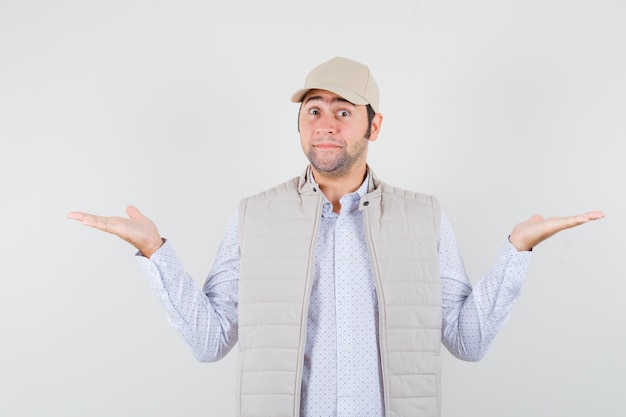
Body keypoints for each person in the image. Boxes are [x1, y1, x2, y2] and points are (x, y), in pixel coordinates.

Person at [67, 57, 604, 417]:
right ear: (300, 124)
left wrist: (518, 250)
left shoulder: (423, 217)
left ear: (374, 126)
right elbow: (210, 341)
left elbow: (468, 340)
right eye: (314, 111)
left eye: (343, 112)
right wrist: (153, 252)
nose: (326, 124)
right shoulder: (255, 215)